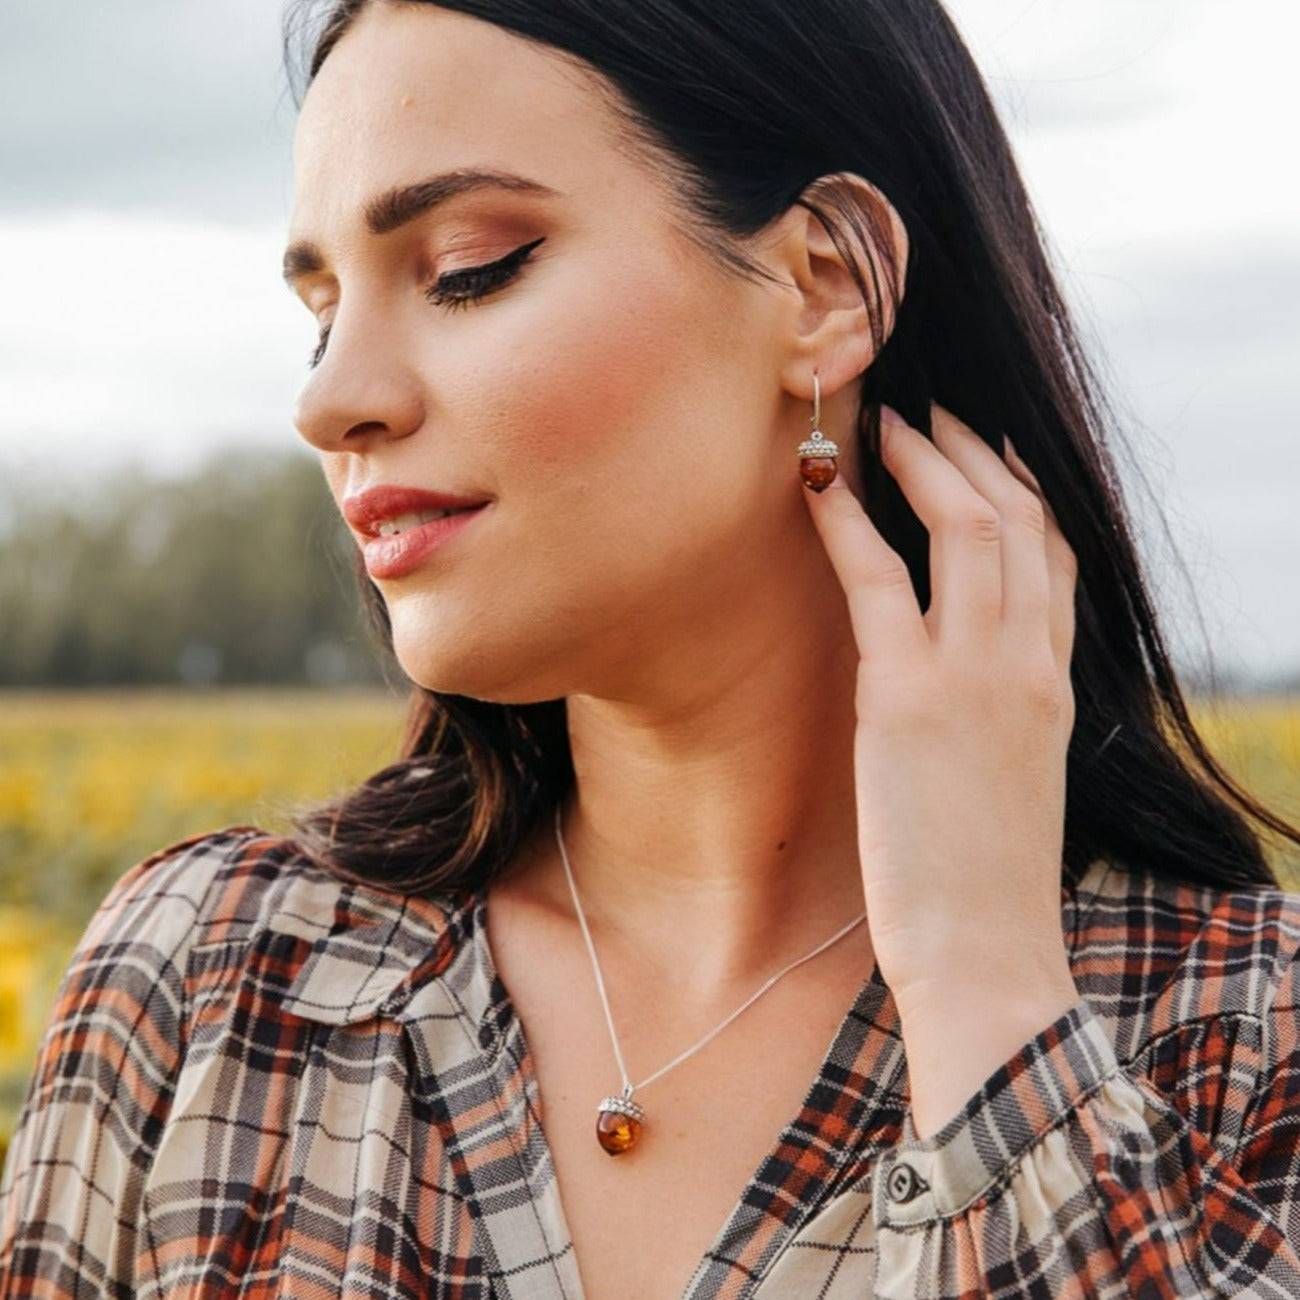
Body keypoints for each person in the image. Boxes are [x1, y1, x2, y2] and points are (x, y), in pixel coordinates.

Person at [3, 1, 1300, 1295]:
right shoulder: (213, 980)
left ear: (824, 286)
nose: (329, 400)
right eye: (322, 313)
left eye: (469, 266)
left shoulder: (1249, 1037)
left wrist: (990, 996)